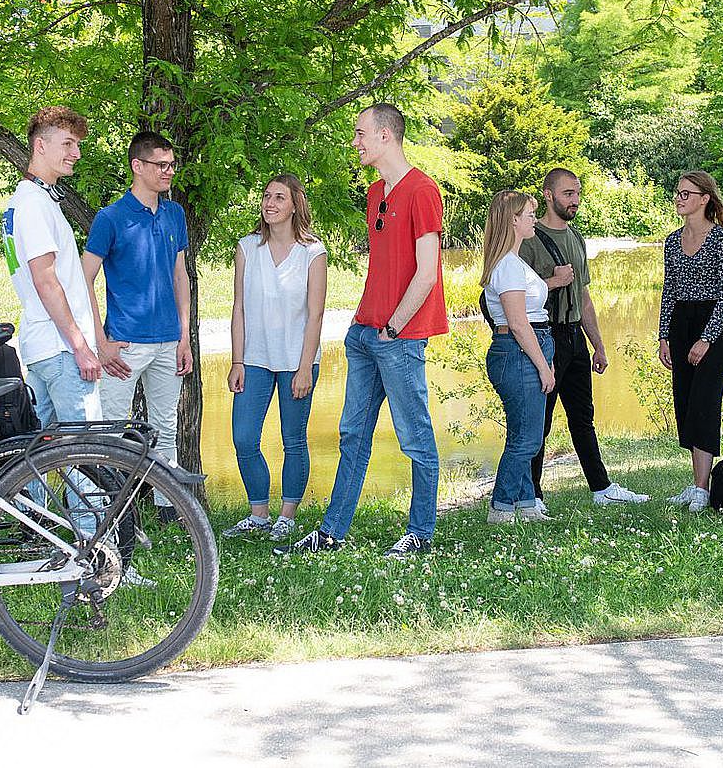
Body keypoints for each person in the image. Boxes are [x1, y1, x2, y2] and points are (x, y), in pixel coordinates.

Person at [279, 103, 448, 558]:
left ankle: (421, 533)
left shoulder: (423, 190)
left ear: (385, 137)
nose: (355, 142)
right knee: (352, 434)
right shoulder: (377, 194)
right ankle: (332, 531)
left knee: (415, 437)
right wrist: (366, 324)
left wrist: (393, 326)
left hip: (400, 337)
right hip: (364, 333)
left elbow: (427, 272)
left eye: (360, 134)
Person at [519, 169, 648, 508]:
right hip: (544, 336)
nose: (574, 200)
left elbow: (584, 296)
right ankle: (531, 495)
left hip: (575, 337)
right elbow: (515, 298)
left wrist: (598, 345)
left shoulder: (577, 238)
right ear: (548, 195)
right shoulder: (529, 239)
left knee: (582, 417)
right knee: (539, 420)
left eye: (577, 193)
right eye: (567, 194)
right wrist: (553, 281)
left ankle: (601, 489)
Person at [84, 130, 193, 522]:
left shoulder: (174, 214)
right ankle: (104, 517)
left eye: (171, 165)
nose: (168, 172)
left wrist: (184, 336)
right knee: (111, 431)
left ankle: (171, 515)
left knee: (165, 425)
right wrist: (101, 342)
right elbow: (84, 280)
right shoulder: (110, 218)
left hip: (169, 341)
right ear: (138, 166)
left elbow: (180, 274)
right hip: (124, 346)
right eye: (160, 165)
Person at [222, 175, 328, 542]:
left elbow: (316, 314)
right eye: (266, 196)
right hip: (253, 358)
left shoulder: (313, 253)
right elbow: (238, 308)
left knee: (293, 440)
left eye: (279, 198)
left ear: (295, 205)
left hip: (297, 361)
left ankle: (287, 515)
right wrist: (237, 360)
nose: (270, 203)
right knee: (244, 437)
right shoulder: (247, 247)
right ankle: (258, 514)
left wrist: (304, 367)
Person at [2, 106, 112, 428]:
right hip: (61, 351)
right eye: (68, 144)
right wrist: (80, 346)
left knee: (36, 462)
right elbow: (45, 281)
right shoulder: (33, 204)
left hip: (43, 348)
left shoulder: (30, 200)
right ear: (40, 146)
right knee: (86, 455)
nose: (76, 153)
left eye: (77, 144)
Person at [657, 170, 723, 513]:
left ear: (705, 199)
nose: (679, 198)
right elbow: (669, 289)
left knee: (705, 405)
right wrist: (663, 335)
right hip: (680, 325)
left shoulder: (720, 240)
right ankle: (695, 485)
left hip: (714, 328)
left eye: (686, 194)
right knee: (687, 406)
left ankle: (703, 491)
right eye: (678, 193)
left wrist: (706, 338)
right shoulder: (672, 241)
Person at [481, 190, 557, 524]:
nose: (535, 220)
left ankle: (526, 503)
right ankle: (501, 505)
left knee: (525, 432)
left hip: (529, 346)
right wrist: (543, 365)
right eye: (529, 214)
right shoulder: (508, 267)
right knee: (527, 439)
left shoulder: (515, 262)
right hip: (518, 351)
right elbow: (517, 322)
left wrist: (546, 357)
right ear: (513, 220)